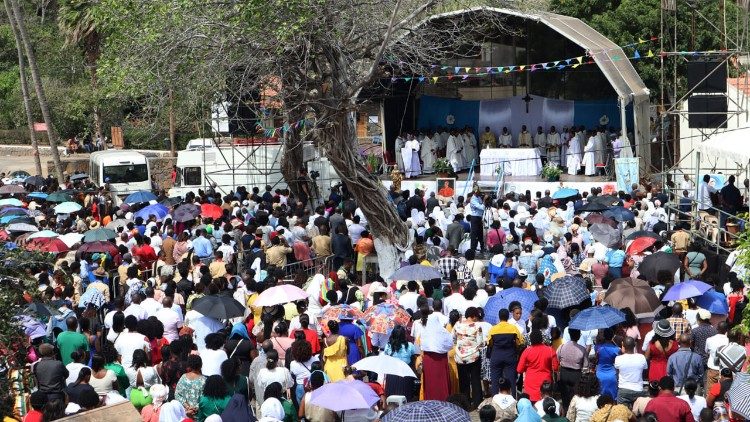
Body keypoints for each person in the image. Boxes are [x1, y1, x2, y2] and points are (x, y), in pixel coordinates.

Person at [452, 307, 485, 409]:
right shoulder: (477, 327)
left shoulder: (457, 326)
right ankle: (477, 402)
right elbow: (480, 343)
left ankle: (465, 403)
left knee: (463, 381)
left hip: (460, 357)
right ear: (474, 316)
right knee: (475, 380)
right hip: (473, 356)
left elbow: (453, 339)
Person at [487, 308, 524, 396]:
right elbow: (520, 342)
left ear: (499, 317)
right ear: (508, 317)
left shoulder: (493, 329)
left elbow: (489, 343)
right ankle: (513, 400)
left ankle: (495, 402)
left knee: (495, 381)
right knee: (511, 380)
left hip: (496, 356)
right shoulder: (513, 328)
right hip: (510, 356)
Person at [517, 330, 559, 403]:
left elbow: (519, 369)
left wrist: (527, 366)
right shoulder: (550, 350)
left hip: (530, 386)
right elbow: (555, 368)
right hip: (546, 386)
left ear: (531, 340)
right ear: (541, 339)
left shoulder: (527, 351)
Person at [557, 328, 586, 410]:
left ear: (569, 335)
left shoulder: (562, 347)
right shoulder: (582, 349)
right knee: (575, 398)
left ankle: (566, 412)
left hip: (564, 373)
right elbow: (586, 365)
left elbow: (557, 359)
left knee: (564, 397)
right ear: (579, 336)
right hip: (576, 375)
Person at [595, 328, 620, 400]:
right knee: (612, 398)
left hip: (599, 374)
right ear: (612, 336)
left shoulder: (598, 347)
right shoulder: (616, 349)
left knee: (600, 398)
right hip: (612, 375)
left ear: (604, 336)